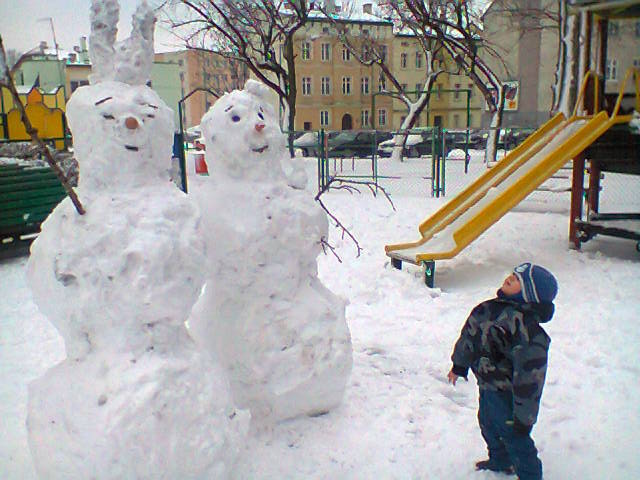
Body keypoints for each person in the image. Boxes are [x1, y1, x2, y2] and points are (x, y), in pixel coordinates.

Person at [447, 263, 558, 480]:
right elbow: (469, 336)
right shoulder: (486, 309)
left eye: (518, 279)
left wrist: (524, 417)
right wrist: (459, 365)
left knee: (514, 434)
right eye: (512, 274)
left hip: (507, 392)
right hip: (486, 384)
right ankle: (500, 459)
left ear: (530, 294)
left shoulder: (527, 330)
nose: (509, 278)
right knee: (487, 423)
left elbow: (530, 376)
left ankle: (530, 474)